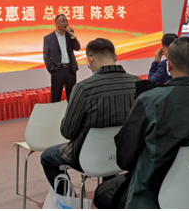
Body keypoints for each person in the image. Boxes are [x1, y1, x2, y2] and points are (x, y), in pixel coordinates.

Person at [115, 37, 189, 209]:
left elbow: (124, 157)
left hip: (150, 196)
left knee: (106, 193)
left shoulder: (149, 101)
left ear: (169, 65)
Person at [41, 38, 138, 193]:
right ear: (115, 57)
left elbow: (67, 132)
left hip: (88, 157)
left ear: (90, 59)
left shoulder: (83, 88)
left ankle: (68, 199)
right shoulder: (136, 83)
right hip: (124, 155)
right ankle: (109, 194)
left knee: (47, 156)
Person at [43, 14, 81, 102]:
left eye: (66, 21)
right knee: (56, 97)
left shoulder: (69, 36)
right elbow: (46, 55)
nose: (66, 23)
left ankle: (71, 111)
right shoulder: (48, 38)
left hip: (70, 70)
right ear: (56, 23)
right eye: (63, 21)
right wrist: (51, 68)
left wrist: (73, 36)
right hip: (57, 70)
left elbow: (77, 48)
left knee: (72, 97)